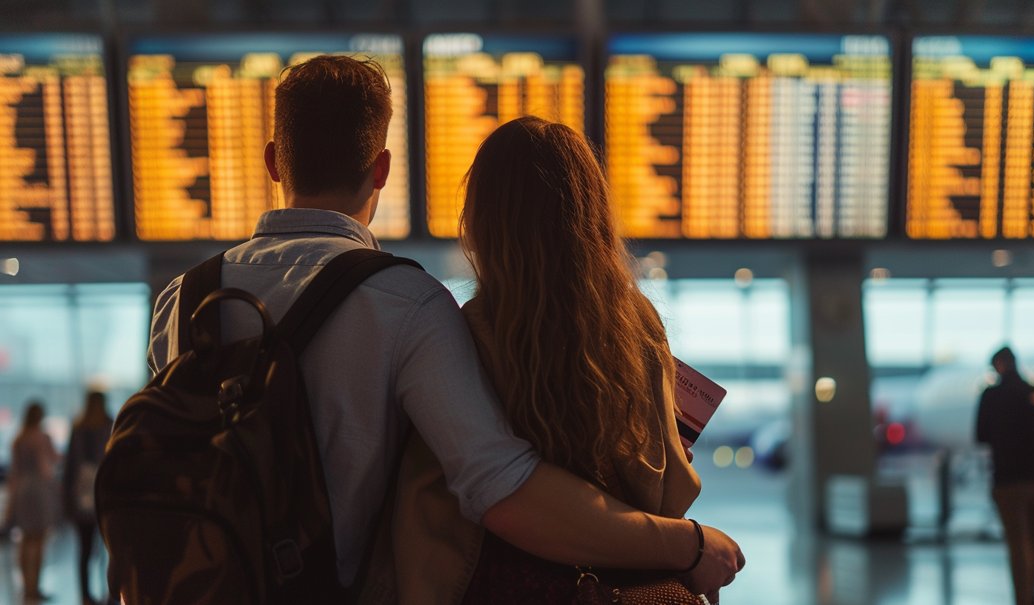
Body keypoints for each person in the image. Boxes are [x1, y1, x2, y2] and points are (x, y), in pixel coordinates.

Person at [147, 55, 742, 602]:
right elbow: (500, 488)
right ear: (381, 169)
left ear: (274, 161)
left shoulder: (182, 300)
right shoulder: (407, 304)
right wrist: (687, 544)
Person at [391, 116, 720, 604]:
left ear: (481, 222)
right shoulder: (635, 322)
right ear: (594, 214)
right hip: (627, 587)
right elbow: (671, 492)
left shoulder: (463, 330)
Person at [976, 346, 1034, 605]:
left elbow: (981, 435)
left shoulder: (991, 396)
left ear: (999, 366)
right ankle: (1032, 598)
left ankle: (1023, 600)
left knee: (1017, 545)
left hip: (1008, 481)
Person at [63, 390, 113, 605]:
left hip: (81, 494)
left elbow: (70, 465)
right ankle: (109, 592)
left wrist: (67, 498)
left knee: (83, 550)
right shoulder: (109, 424)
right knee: (109, 548)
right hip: (104, 493)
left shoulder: (79, 426)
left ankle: (85, 595)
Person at [9, 401, 59, 603]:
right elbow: (48, 465)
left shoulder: (19, 439)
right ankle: (35, 586)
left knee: (25, 539)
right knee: (38, 540)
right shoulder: (42, 438)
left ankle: (25, 586)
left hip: (21, 491)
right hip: (38, 491)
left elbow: (15, 471)